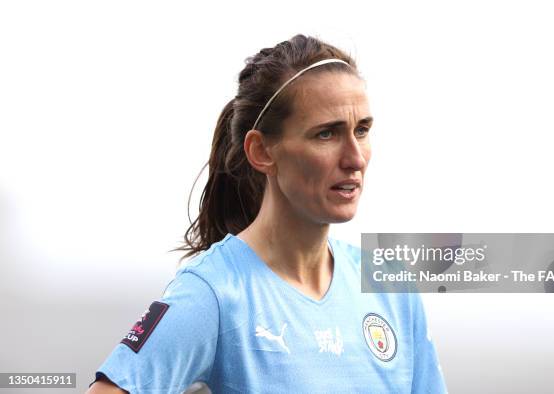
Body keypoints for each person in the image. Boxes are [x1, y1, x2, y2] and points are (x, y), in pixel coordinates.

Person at [87, 34, 447, 394]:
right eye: (326, 134)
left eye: (362, 130)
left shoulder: (391, 289)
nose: (355, 158)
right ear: (262, 151)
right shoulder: (215, 292)